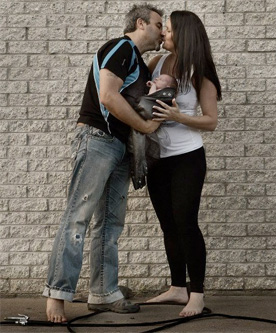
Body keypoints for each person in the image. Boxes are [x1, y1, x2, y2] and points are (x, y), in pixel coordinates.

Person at [43, 4, 163, 323]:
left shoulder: (139, 63)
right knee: (77, 217)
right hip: (98, 139)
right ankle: (57, 295)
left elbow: (138, 102)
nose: (163, 32)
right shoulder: (120, 47)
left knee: (110, 223)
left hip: (120, 147)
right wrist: (145, 126)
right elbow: (108, 96)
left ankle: (104, 292)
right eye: (158, 24)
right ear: (140, 23)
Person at [144, 10, 222, 317]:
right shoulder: (157, 63)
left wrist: (178, 116)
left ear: (184, 35)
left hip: (187, 158)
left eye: (170, 30)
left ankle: (197, 293)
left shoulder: (199, 72)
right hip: (157, 158)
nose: (164, 33)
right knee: (168, 225)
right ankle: (177, 288)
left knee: (186, 223)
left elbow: (211, 121)